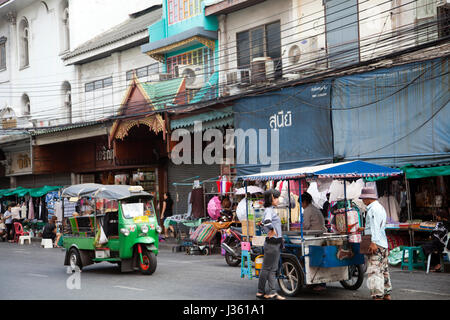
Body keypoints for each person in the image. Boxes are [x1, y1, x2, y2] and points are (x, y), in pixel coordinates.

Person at [359, 187, 392, 300]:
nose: (363, 201)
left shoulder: (372, 209)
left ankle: (377, 296)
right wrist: (365, 228)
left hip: (376, 243)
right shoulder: (380, 207)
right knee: (384, 269)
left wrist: (373, 242)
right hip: (383, 243)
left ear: (368, 198)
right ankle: (386, 293)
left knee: (374, 270)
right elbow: (378, 225)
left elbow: (374, 226)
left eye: (364, 198)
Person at [256, 189, 286, 300]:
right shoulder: (269, 210)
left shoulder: (270, 210)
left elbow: (264, 223)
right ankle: (260, 291)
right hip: (272, 244)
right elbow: (268, 222)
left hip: (275, 243)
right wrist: (272, 229)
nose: (278, 200)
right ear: (272, 198)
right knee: (267, 268)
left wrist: (265, 226)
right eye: (276, 197)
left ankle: (272, 292)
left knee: (272, 269)